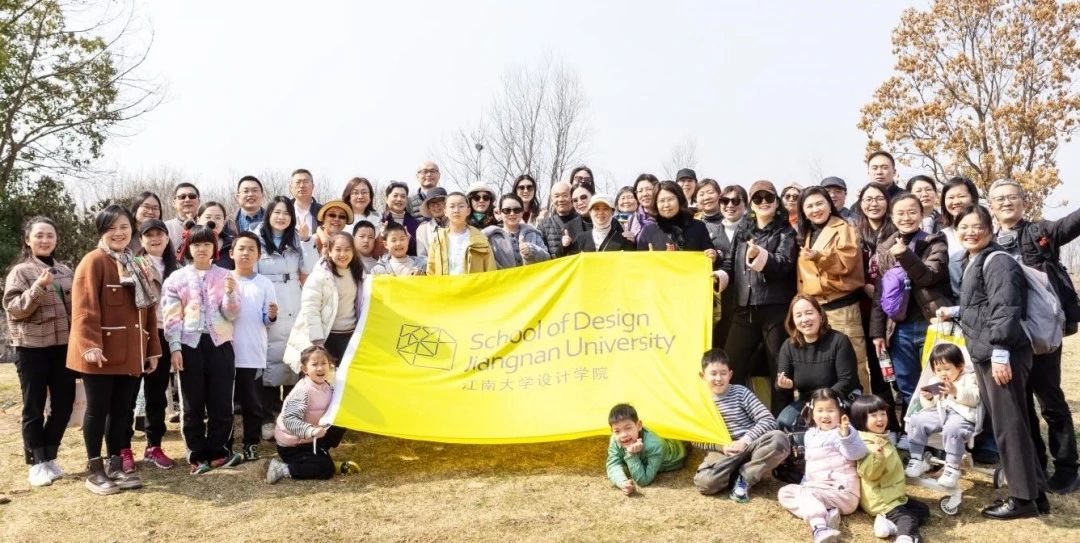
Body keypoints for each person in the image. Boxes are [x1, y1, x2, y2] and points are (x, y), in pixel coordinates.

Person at [938, 205, 1048, 519]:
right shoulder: (975, 260)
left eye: (977, 226)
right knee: (1014, 424)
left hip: (1001, 354)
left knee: (1008, 427)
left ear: (990, 227)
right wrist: (953, 312)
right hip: (988, 352)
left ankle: (1022, 500)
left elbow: (1006, 308)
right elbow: (981, 304)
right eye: (964, 227)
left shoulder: (997, 260)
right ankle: (1036, 494)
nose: (970, 232)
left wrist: (1000, 353)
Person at [988, 178, 1080, 494]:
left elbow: (1071, 224)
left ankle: (1067, 468)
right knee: (1021, 404)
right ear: (991, 206)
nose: (1006, 202)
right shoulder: (988, 242)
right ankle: (1035, 464)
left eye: (1012, 196)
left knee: (1050, 399)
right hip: (1009, 334)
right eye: (999, 198)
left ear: (1023, 202)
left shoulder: (1040, 232)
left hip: (1041, 332)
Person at [68, 205, 161, 494]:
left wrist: (151, 349)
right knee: (98, 410)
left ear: (132, 229)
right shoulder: (93, 261)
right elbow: (84, 308)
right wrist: (89, 345)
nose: (119, 233)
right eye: (111, 228)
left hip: (130, 352)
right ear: (101, 232)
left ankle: (116, 465)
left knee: (121, 412)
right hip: (99, 354)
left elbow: (148, 310)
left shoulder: (136, 262)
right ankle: (95, 470)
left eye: (124, 227)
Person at [163, 223, 243, 474]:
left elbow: (232, 314)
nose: (202, 249)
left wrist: (230, 295)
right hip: (189, 346)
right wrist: (175, 347)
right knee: (192, 403)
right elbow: (172, 316)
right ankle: (196, 454)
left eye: (207, 244)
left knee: (222, 401)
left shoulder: (226, 276)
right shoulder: (176, 279)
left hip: (220, 344)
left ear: (214, 248)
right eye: (196, 244)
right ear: (188, 247)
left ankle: (220, 451)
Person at [3, 216, 76, 487]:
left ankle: (50, 455)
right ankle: (36, 463)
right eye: (39, 235)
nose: (45, 240)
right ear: (28, 240)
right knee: (33, 406)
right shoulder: (20, 272)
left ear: (56, 239)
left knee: (64, 404)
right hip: (31, 348)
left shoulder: (65, 271)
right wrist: (38, 287)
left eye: (50, 235)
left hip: (63, 346)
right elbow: (15, 309)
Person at [869, 193, 951, 410]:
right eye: (900, 213)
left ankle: (937, 426)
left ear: (921, 214)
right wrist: (877, 333)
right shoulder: (885, 247)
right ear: (892, 216)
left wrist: (905, 255)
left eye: (912, 212)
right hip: (898, 329)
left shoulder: (934, 242)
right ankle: (916, 426)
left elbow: (930, 276)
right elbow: (880, 293)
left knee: (936, 381)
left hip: (929, 323)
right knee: (906, 384)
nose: (906, 218)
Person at [724, 180, 798, 415]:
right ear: (751, 204)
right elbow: (729, 264)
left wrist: (761, 255)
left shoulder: (786, 231)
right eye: (757, 198)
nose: (763, 202)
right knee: (730, 365)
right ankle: (734, 417)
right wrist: (719, 276)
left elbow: (784, 264)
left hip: (775, 309)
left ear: (777, 203)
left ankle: (781, 421)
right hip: (744, 308)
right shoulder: (742, 231)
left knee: (779, 368)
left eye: (769, 197)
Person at [794, 186, 868, 394]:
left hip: (842, 307)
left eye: (820, 203)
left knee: (854, 364)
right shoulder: (805, 234)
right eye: (809, 206)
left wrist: (819, 257)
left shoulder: (844, 228)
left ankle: (863, 409)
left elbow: (847, 263)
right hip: (816, 309)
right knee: (823, 369)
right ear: (803, 211)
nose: (815, 209)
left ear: (829, 205)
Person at [255, 196, 317, 440]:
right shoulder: (257, 238)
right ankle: (267, 417)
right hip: (268, 298)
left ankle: (290, 415)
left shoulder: (297, 238)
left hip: (294, 299)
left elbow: (309, 268)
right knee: (269, 360)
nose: (281, 217)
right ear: (268, 214)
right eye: (277, 212)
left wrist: (307, 241)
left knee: (294, 355)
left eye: (286, 213)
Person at [693, 348, 790, 503]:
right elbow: (696, 438)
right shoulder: (700, 403)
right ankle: (741, 471)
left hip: (751, 445)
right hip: (724, 452)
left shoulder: (741, 392)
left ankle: (744, 478)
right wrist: (722, 447)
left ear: (730, 374)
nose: (718, 378)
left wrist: (745, 440)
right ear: (702, 375)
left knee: (780, 439)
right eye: (713, 373)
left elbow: (768, 420)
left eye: (723, 373)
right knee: (705, 482)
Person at [777, 388, 868, 543]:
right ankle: (829, 513)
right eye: (820, 410)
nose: (825, 415)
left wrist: (846, 436)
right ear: (812, 412)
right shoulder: (810, 434)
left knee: (806, 493)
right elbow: (810, 467)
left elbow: (857, 454)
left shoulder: (843, 431)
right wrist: (804, 484)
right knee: (785, 493)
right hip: (818, 490)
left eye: (830, 410)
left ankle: (819, 527)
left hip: (842, 492)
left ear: (840, 412)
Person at [266, 345, 359, 483]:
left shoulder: (326, 386)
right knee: (325, 469)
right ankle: (283, 468)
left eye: (324, 363)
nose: (320, 368)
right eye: (314, 364)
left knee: (341, 420)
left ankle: (321, 457)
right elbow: (289, 420)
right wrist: (311, 431)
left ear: (330, 365)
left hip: (311, 440)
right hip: (293, 446)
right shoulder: (303, 391)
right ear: (305, 369)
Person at [131, 219, 179, 470]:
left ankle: (154, 445)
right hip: (137, 333)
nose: (155, 239)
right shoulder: (132, 264)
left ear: (167, 238)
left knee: (157, 393)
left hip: (163, 333)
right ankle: (122, 449)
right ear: (141, 240)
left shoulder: (176, 268)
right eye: (149, 235)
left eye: (160, 234)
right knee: (127, 392)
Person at [850, 394, 930, 543]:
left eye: (883, 413)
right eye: (874, 415)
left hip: (893, 495)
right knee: (907, 518)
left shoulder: (880, 438)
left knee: (922, 510)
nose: (880, 419)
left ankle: (889, 525)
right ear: (861, 420)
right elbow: (869, 474)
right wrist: (877, 457)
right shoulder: (867, 445)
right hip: (882, 500)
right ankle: (905, 538)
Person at [776, 295, 859, 429]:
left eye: (809, 313)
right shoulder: (788, 346)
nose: (804, 319)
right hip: (807, 402)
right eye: (798, 315)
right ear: (793, 321)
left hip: (839, 398)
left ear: (820, 315)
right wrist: (785, 385)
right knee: (784, 421)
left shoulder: (839, 340)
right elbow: (780, 383)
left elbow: (847, 381)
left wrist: (820, 403)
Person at [229, 232, 278, 461]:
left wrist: (271, 316)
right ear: (231, 253)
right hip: (225, 353)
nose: (245, 253)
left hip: (253, 352)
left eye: (251, 249)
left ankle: (251, 444)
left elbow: (267, 320)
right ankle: (225, 445)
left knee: (252, 403)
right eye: (241, 248)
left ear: (259, 255)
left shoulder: (264, 283)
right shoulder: (224, 279)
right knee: (225, 403)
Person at [903, 343, 980, 488]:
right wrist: (928, 398)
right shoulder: (935, 380)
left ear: (960, 366)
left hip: (961, 414)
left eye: (947, 369)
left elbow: (975, 398)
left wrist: (955, 391)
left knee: (953, 428)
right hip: (940, 412)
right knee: (917, 419)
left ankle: (952, 467)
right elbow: (929, 407)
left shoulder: (969, 378)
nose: (943, 373)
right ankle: (917, 458)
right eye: (938, 370)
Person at [284, 232, 364, 368]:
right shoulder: (320, 275)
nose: (343, 254)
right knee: (323, 377)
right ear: (330, 251)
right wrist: (318, 341)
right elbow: (310, 309)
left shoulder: (358, 273)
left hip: (350, 336)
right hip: (325, 337)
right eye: (338, 249)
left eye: (347, 250)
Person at [699, 182, 747, 348]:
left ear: (745, 204)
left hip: (747, 301)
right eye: (725, 201)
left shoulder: (755, 230)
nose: (730, 205)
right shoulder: (709, 232)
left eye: (736, 201)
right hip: (720, 301)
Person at [605, 403, 686, 496]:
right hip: (646, 456)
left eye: (628, 428)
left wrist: (631, 455)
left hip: (671, 457)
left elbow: (643, 480)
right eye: (617, 431)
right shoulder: (615, 439)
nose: (623, 435)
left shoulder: (655, 445)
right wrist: (623, 483)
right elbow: (613, 464)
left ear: (639, 426)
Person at [427, 192, 497, 275]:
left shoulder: (481, 239)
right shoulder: (438, 240)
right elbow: (431, 271)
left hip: (473, 283)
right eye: (452, 206)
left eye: (461, 206)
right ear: (445, 211)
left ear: (468, 211)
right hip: (445, 283)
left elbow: (490, 270)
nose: (456, 210)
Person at [636, 181, 713, 255]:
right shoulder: (648, 231)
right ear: (656, 204)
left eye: (670, 199)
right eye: (661, 201)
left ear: (679, 199)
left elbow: (711, 257)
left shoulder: (698, 227)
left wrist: (714, 257)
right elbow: (639, 261)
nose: (666, 205)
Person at [938, 176, 980, 299]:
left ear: (973, 198)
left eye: (961, 196)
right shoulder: (942, 235)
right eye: (950, 197)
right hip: (953, 302)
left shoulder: (986, 230)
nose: (956, 202)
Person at [484, 194, 550, 269]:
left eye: (517, 210)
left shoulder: (533, 234)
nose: (512, 213)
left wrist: (532, 250)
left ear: (522, 212)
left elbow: (547, 258)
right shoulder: (492, 238)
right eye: (507, 210)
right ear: (500, 213)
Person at [565, 195, 635, 253]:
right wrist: (565, 246)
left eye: (605, 209)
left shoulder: (623, 240)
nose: (601, 212)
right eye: (596, 209)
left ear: (612, 212)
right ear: (590, 212)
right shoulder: (581, 239)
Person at [537, 181, 578, 258]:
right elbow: (541, 254)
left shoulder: (581, 221)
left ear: (572, 197)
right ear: (552, 199)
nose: (561, 199)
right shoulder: (543, 225)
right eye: (557, 196)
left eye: (565, 195)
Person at [382, 182, 421, 254]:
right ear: (387, 199)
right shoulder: (380, 221)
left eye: (403, 196)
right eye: (395, 195)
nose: (399, 199)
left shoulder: (415, 223)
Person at [194, 202, 234, 269]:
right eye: (208, 217)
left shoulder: (233, 245)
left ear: (223, 222)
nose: (212, 221)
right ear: (198, 220)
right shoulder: (188, 244)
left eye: (218, 218)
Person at [625, 174, 659, 244]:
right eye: (640, 191)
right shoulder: (632, 220)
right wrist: (631, 243)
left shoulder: (667, 215)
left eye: (648, 189)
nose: (644, 194)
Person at [415, 187, 448, 259]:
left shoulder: (459, 224)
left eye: (440, 201)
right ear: (428, 208)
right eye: (432, 203)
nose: (436, 206)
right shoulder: (422, 230)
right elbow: (421, 258)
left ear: (447, 204)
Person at [165, 183, 201, 249]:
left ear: (199, 201)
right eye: (182, 197)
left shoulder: (206, 226)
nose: (187, 200)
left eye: (192, 196)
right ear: (174, 203)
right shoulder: (165, 228)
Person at [289, 168, 321, 234]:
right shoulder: (284, 210)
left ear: (313, 186)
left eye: (306, 182)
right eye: (298, 182)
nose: (302, 186)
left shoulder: (322, 211)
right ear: (291, 187)